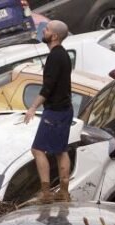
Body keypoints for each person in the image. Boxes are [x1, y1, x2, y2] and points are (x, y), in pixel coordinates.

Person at [24, 20, 73, 204]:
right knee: (61, 150)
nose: (42, 31)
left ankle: (46, 193)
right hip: (66, 109)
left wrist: (32, 107)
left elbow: (47, 88)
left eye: (46, 29)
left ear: (54, 36)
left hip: (54, 111)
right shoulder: (64, 55)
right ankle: (64, 192)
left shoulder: (54, 57)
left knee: (37, 149)